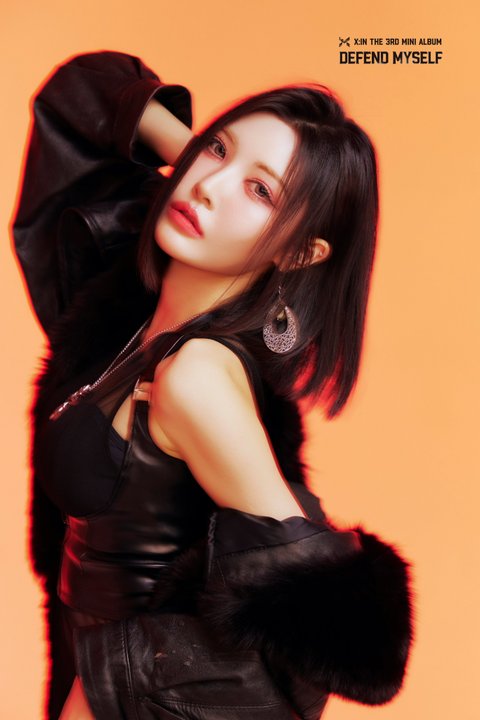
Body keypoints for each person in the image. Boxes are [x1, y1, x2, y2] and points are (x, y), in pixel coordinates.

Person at [13, 51, 414, 719]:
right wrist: (207, 159)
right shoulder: (128, 312)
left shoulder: (196, 376)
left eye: (261, 192)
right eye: (216, 150)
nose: (209, 187)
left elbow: (341, 628)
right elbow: (80, 96)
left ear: (298, 251)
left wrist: (116, 679)